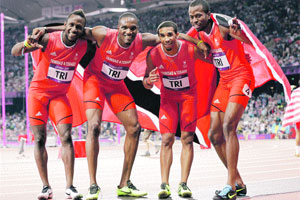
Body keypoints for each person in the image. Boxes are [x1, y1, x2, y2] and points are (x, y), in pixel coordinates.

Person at [11, 9, 88, 200]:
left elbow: (92, 31)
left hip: (59, 96)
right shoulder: (48, 39)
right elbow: (15, 51)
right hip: (38, 94)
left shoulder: (84, 44)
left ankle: (70, 186)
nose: (74, 29)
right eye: (71, 25)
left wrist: (49, 26)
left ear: (82, 30)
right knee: (39, 139)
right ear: (65, 25)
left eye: (79, 27)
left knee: (66, 137)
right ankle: (46, 187)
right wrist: (28, 43)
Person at [188, 1, 255, 199]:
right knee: (214, 134)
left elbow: (248, 41)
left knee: (229, 126)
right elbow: (184, 38)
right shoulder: (198, 35)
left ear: (209, 15)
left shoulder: (223, 28)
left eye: (198, 15)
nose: (195, 20)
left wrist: (239, 33)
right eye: (192, 17)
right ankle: (238, 181)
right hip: (224, 82)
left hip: (241, 77)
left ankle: (230, 187)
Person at [143, 21, 212, 199]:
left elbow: (212, 56)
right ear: (159, 37)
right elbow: (146, 82)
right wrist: (149, 82)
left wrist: (198, 42)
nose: (167, 39)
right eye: (163, 36)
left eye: (170, 35)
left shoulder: (189, 50)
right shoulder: (154, 54)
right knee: (166, 139)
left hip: (189, 98)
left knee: (187, 139)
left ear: (177, 35)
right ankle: (164, 185)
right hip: (168, 100)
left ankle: (183, 184)